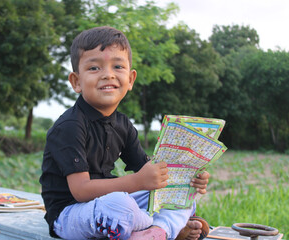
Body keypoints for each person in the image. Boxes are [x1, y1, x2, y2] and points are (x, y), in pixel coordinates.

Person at [40, 26, 210, 240]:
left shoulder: (123, 124)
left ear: (130, 79)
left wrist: (188, 178)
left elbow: (148, 171)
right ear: (76, 81)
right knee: (118, 205)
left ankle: (157, 232)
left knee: (180, 193)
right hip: (71, 215)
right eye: (94, 68)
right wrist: (138, 182)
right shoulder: (69, 126)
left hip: (114, 209)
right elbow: (80, 191)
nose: (108, 75)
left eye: (117, 66)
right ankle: (162, 228)